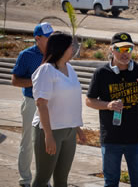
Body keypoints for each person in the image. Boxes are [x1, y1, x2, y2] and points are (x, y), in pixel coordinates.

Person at [86, 32, 138, 187]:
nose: (125, 53)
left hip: (135, 138)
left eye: (128, 49)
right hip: (111, 138)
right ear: (111, 50)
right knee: (111, 182)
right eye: (120, 49)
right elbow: (89, 101)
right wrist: (107, 105)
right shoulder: (101, 73)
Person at [31, 32, 86, 187]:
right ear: (61, 48)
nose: (74, 49)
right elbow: (41, 104)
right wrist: (48, 135)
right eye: (71, 46)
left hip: (69, 131)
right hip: (50, 130)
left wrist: (78, 129)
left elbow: (70, 102)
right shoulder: (46, 70)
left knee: (62, 180)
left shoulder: (70, 68)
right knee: (42, 179)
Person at [11, 22, 54, 187]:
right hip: (31, 103)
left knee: (48, 142)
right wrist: (36, 82)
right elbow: (15, 81)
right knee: (28, 141)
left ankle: (44, 180)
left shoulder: (55, 55)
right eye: (48, 38)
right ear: (38, 38)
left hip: (50, 105)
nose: (51, 40)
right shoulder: (26, 55)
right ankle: (25, 180)